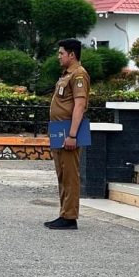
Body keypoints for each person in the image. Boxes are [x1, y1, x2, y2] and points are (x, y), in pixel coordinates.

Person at [45, 38, 91, 231]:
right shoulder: (67, 74)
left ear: (72, 55)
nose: (59, 56)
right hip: (59, 132)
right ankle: (64, 213)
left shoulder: (79, 75)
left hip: (68, 133)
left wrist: (72, 135)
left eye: (61, 53)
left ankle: (70, 217)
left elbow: (79, 105)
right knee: (63, 174)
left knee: (70, 175)